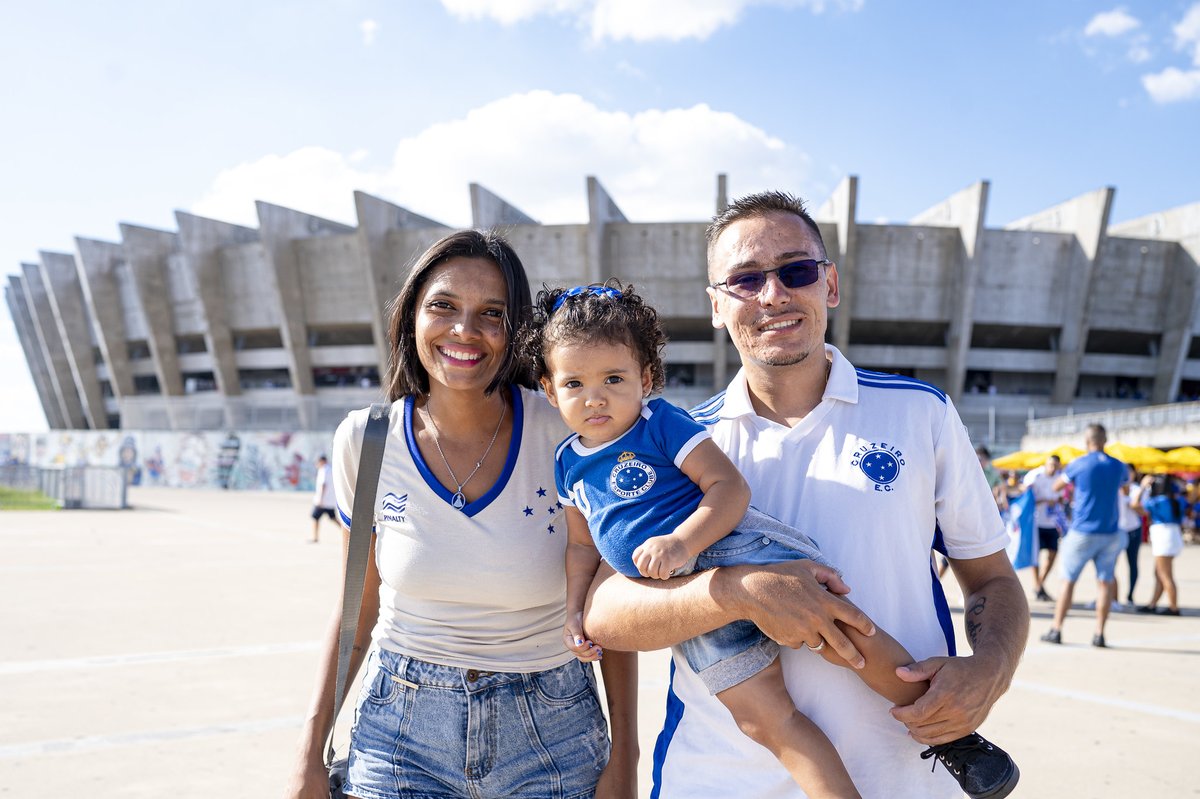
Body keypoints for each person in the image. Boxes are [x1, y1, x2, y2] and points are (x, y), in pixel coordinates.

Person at [580, 191, 1029, 799]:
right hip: (717, 781)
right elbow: (605, 613)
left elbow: (994, 580)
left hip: (903, 779)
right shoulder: (675, 444)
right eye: (745, 279)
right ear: (716, 306)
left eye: (796, 271)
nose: (773, 295)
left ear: (830, 284)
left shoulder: (919, 414)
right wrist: (740, 592)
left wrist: (991, 670)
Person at [283, 230, 637, 799]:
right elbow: (356, 611)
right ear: (410, 319)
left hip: (554, 734)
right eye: (443, 306)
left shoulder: (567, 433)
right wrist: (308, 757)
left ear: (517, 330)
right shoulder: (365, 441)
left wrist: (625, 760)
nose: (464, 331)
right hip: (399, 735)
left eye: (491, 314)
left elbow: (609, 607)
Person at [1041, 424, 1129, 648]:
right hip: (1110, 531)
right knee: (1105, 584)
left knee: (1068, 581)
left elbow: (1057, 486)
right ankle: (1099, 634)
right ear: (1105, 440)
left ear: (1087, 441)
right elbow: (1125, 490)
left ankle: (1056, 629)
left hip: (1082, 530)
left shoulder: (1079, 463)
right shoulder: (1119, 466)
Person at [1131, 474, 1183, 616]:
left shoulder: (1157, 501)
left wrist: (1142, 486)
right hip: (1173, 535)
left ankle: (1173, 607)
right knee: (1159, 573)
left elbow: (1135, 505)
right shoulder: (1174, 500)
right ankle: (1153, 603)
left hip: (1163, 536)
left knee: (1165, 574)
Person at [1021, 455, 1065, 602]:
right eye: (1051, 465)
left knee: (1053, 555)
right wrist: (1044, 500)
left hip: (1052, 522)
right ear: (1046, 464)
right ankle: (1038, 585)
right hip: (1036, 522)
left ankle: (1039, 584)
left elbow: (1061, 497)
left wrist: (1058, 501)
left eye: (1055, 466)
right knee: (1036, 556)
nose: (1053, 468)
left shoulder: (1060, 477)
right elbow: (1025, 494)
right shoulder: (1036, 476)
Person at [1114, 464, 1143, 608]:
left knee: (1132, 563)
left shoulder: (1138, 489)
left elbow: (1139, 508)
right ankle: (1113, 598)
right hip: (1117, 530)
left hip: (1133, 530)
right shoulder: (1114, 488)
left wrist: (1142, 489)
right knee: (1110, 565)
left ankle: (1130, 595)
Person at [309, 455, 336, 543]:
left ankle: (315, 537)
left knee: (315, 517)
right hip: (329, 501)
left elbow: (323, 485)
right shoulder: (330, 469)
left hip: (323, 501)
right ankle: (347, 531)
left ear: (322, 461)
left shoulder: (324, 470)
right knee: (333, 518)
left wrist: (320, 499)